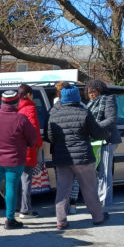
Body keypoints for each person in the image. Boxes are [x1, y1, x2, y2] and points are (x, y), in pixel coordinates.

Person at [47, 85, 110, 229]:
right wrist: (107, 134)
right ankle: (98, 217)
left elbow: (50, 137)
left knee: (63, 190)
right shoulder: (84, 112)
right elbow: (97, 133)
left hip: (62, 158)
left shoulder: (54, 114)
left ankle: (61, 221)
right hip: (82, 157)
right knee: (89, 188)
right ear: (77, 97)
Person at [0, 90, 39, 230]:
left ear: (2, 102)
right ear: (16, 103)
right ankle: (9, 220)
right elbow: (33, 139)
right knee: (11, 187)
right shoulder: (21, 119)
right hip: (14, 160)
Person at [86, 78, 120, 212]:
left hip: (107, 140)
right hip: (95, 140)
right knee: (97, 171)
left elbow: (111, 119)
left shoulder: (108, 99)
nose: (91, 95)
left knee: (104, 172)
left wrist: (94, 127)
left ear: (99, 90)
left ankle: (104, 202)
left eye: (93, 92)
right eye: (89, 93)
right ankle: (98, 199)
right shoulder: (90, 103)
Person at [16, 84, 43, 219]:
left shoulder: (18, 109)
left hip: (17, 150)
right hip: (28, 149)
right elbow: (34, 130)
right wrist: (38, 144)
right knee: (26, 180)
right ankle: (25, 210)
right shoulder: (30, 109)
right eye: (32, 94)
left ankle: (18, 208)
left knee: (18, 181)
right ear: (28, 94)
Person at [52, 81, 80, 213]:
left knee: (62, 180)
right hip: (77, 148)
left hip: (59, 148)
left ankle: (61, 209)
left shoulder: (55, 108)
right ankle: (72, 204)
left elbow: (50, 131)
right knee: (75, 178)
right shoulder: (81, 107)